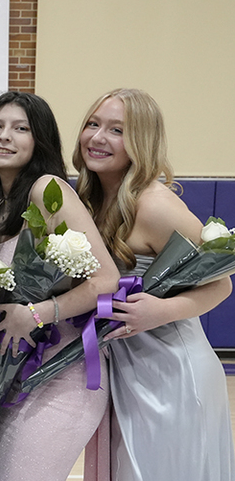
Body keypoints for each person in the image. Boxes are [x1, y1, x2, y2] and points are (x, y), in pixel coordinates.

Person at [73, 88, 234, 481]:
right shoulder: (88, 200)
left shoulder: (155, 205)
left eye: (116, 130)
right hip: (127, 366)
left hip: (172, 372)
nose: (97, 137)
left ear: (140, 141)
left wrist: (161, 310)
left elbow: (220, 283)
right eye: (93, 124)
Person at [0, 92, 119, 481]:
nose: (4, 136)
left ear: (39, 140)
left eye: (20, 128)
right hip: (15, 370)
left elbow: (106, 279)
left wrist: (39, 313)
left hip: (64, 373)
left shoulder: (47, 190)